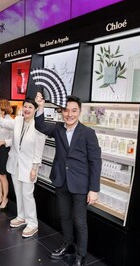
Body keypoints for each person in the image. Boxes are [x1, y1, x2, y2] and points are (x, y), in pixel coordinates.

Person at [34, 93, 101, 266]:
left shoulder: (88, 133)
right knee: (64, 217)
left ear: (79, 112)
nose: (69, 114)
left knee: (80, 221)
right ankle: (68, 245)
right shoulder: (57, 128)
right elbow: (40, 125)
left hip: (80, 184)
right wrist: (40, 106)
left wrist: (94, 189)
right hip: (61, 181)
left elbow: (95, 161)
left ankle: (81, 254)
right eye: (66, 110)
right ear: (61, 111)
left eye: (73, 110)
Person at [0, 97, 45, 238]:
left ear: (35, 110)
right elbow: (1, 121)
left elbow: (39, 150)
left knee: (28, 194)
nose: (27, 109)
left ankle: (32, 223)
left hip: (29, 166)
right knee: (18, 191)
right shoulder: (17, 120)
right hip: (15, 163)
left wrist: (35, 168)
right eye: (25, 106)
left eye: (30, 107)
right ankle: (21, 216)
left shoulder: (39, 125)